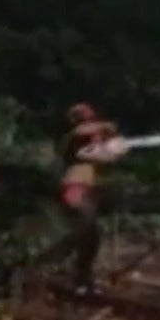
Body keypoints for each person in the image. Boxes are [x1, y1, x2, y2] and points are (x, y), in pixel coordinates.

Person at [54, 103, 119, 295]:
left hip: (87, 189)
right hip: (72, 188)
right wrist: (105, 127)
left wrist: (111, 145)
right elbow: (81, 132)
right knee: (87, 232)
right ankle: (77, 277)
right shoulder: (70, 138)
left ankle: (83, 278)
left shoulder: (87, 141)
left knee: (90, 236)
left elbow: (106, 157)